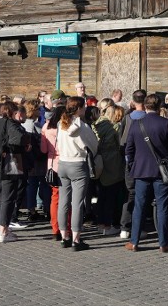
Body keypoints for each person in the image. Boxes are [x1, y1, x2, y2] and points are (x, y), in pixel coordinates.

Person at [124, 94, 168, 253]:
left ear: (145, 106)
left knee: (139, 206)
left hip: (141, 171)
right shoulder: (165, 123)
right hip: (161, 171)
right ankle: (164, 243)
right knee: (162, 207)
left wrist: (134, 165)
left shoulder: (136, 124)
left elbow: (129, 149)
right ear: (159, 107)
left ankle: (134, 242)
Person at [55, 96, 98, 251]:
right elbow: (94, 145)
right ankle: (76, 239)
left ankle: (64, 236)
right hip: (78, 164)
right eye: (84, 107)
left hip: (63, 164)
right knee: (78, 203)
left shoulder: (61, 123)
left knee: (63, 201)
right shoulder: (83, 127)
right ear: (79, 109)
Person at [0, 101, 28, 241]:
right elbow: (19, 138)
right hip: (8, 162)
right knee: (8, 198)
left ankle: (1, 227)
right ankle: (3, 231)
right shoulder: (10, 123)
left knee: (1, 197)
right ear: (12, 112)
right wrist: (24, 144)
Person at [91, 104, 124, 235]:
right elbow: (121, 145)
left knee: (101, 195)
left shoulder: (95, 125)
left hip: (99, 161)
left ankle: (101, 223)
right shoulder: (114, 127)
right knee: (112, 195)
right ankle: (109, 225)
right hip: (113, 162)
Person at [119, 89, 147, 238]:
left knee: (130, 194)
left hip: (129, 161)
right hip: (144, 162)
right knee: (142, 195)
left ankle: (125, 227)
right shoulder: (148, 118)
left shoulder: (127, 118)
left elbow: (121, 141)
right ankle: (139, 228)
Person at [42, 105, 67, 240]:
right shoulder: (64, 127)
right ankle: (66, 227)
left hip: (51, 165)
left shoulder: (46, 127)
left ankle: (55, 228)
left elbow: (43, 149)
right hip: (65, 162)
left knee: (55, 197)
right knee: (67, 197)